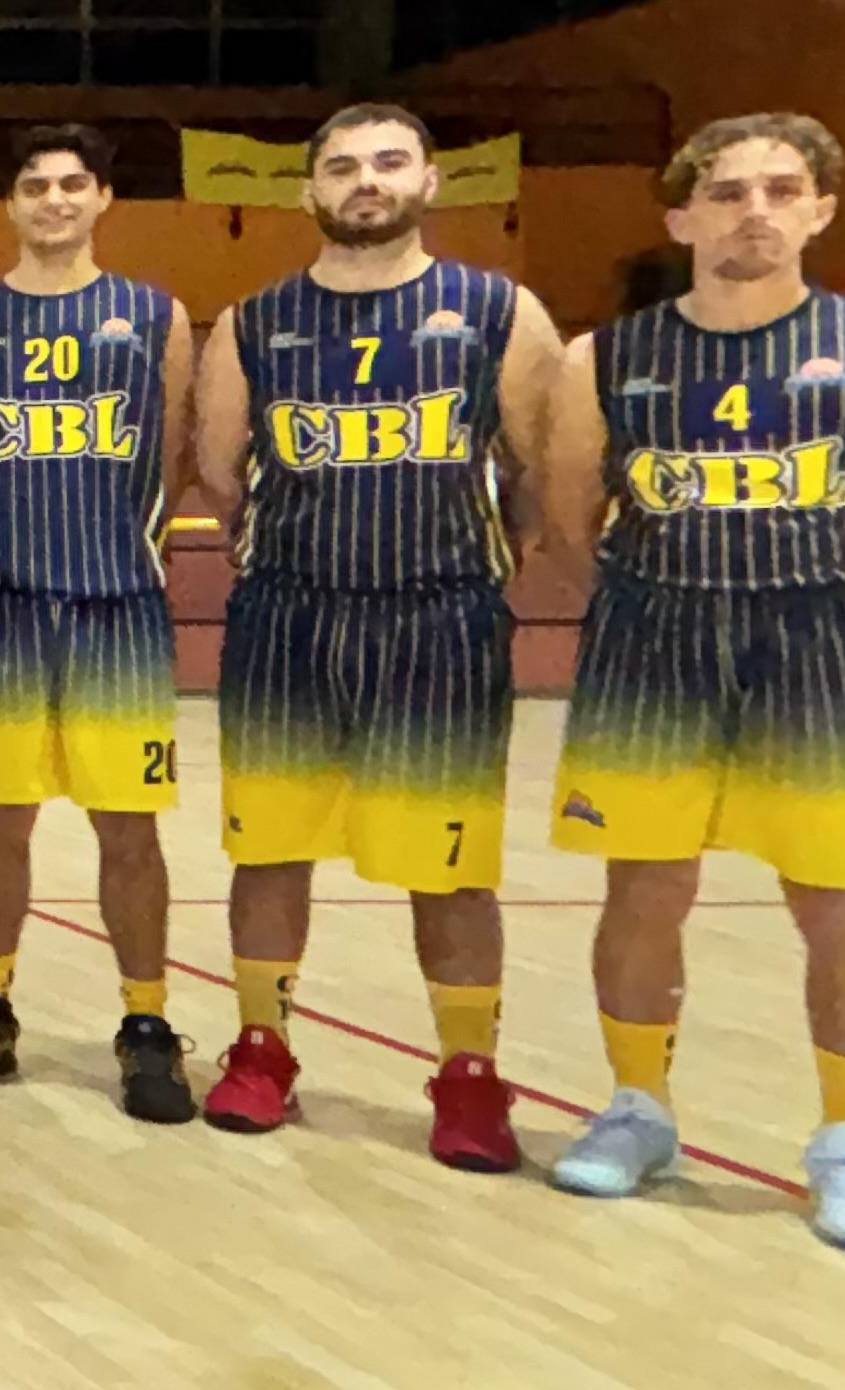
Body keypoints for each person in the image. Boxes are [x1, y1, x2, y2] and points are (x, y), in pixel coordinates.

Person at [536, 113, 845, 1255]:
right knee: (642, 891)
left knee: (841, 903)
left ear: (821, 210)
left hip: (821, 647)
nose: (754, 210)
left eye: (782, 189)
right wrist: (648, 606)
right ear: (681, 217)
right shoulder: (602, 357)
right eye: (726, 191)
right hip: (655, 644)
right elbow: (568, 519)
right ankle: (638, 1108)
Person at [187, 106, 559, 1164]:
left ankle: (469, 1075)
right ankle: (262, 1048)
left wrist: (477, 554)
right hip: (291, 615)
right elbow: (219, 469)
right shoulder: (255, 321)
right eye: (343, 166)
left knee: (451, 867)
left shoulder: (499, 311)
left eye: (389, 163)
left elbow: (535, 471)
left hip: (439, 619)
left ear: (430, 181)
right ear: (310, 189)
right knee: (270, 851)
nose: (366, 182)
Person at [0, 125, 202, 1124]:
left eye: (73, 183)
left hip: (116, 605)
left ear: (103, 198)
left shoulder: (155, 315)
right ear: (11, 204)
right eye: (35, 185)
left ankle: (147, 1020)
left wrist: (114, 544)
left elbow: (170, 456)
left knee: (130, 827)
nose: (54, 200)